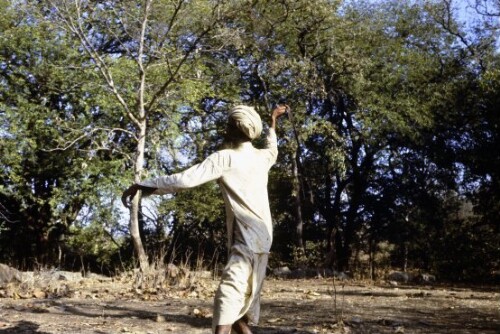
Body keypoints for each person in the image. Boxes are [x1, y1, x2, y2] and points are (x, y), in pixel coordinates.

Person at [122, 104, 288, 334]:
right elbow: (272, 147)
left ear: (236, 131)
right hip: (264, 238)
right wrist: (273, 121)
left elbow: (185, 180)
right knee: (241, 304)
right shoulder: (261, 158)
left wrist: (146, 184)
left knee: (227, 298)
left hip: (246, 241)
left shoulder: (225, 158)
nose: (225, 131)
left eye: (228, 126)